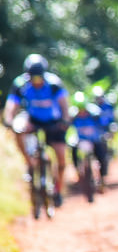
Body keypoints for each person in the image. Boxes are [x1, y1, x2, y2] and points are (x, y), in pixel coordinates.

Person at [3, 54, 71, 206]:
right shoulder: (20, 84)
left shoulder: (54, 84)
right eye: (32, 78)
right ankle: (30, 162)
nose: (36, 82)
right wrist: (8, 120)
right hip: (33, 120)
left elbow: (64, 104)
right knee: (18, 130)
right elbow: (11, 105)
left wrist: (65, 120)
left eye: (38, 78)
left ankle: (58, 190)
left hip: (54, 122)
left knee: (61, 159)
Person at [69, 91, 110, 189]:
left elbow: (104, 124)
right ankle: (78, 172)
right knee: (73, 151)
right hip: (81, 140)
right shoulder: (73, 115)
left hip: (95, 139)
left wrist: (106, 131)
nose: (81, 111)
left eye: (83, 108)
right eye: (79, 109)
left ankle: (102, 179)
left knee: (102, 155)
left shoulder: (95, 113)